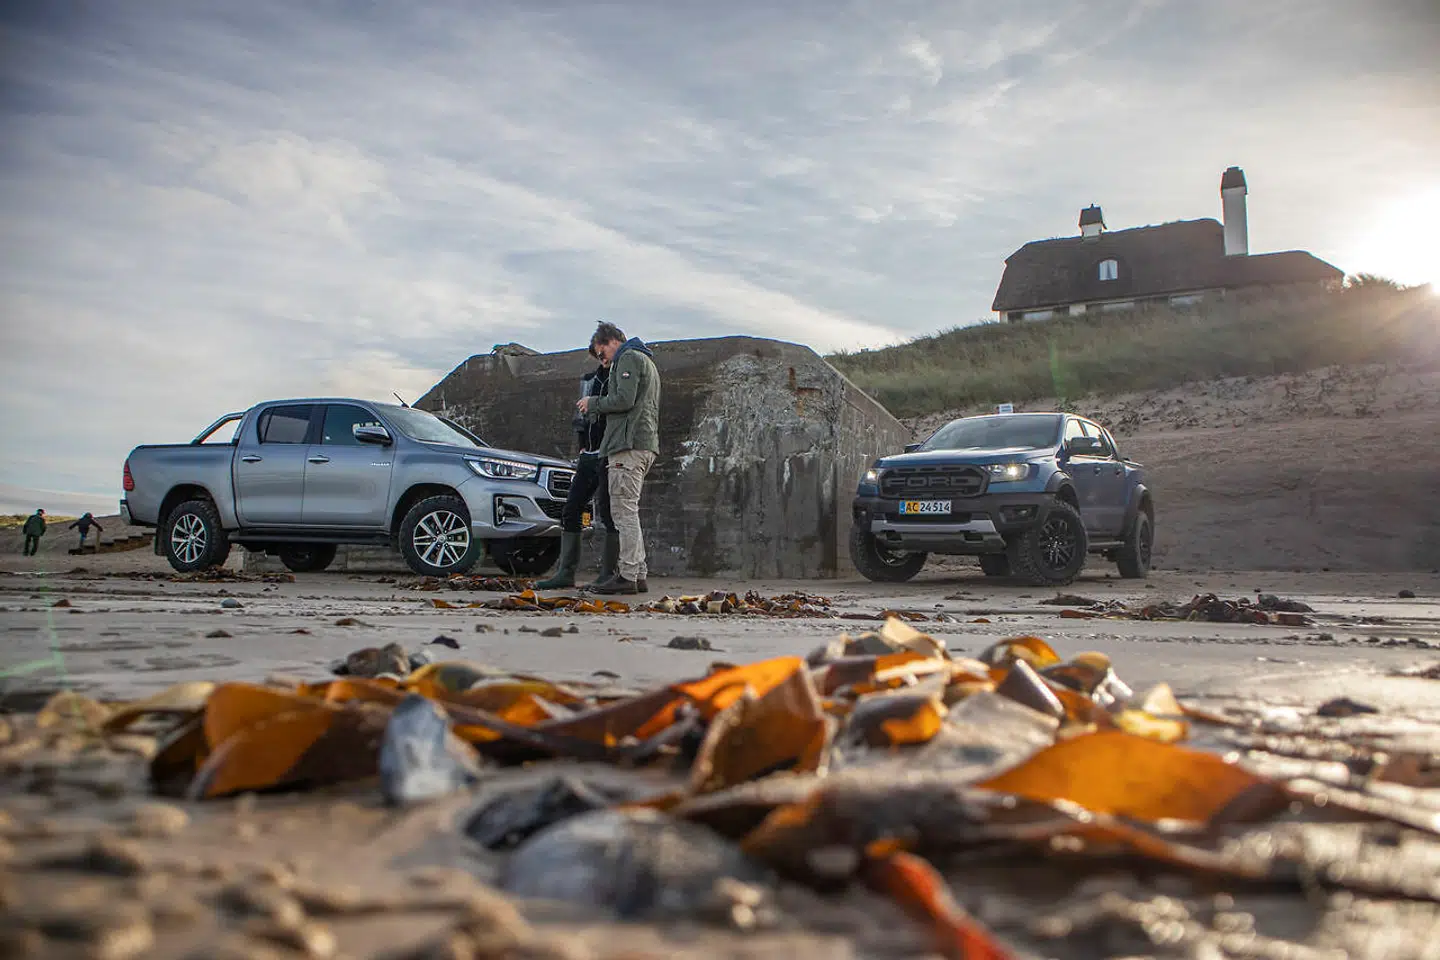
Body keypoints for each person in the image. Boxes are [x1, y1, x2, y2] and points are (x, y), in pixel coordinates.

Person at [578, 321, 660, 595]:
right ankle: (638, 574)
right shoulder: (645, 360)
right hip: (643, 444)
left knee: (623, 512)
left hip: (628, 446)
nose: (603, 361)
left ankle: (627, 575)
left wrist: (593, 403)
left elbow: (624, 400)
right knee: (629, 511)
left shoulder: (628, 359)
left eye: (602, 354)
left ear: (612, 340)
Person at [536, 345, 615, 589]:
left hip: (610, 453)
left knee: (608, 512)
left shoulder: (621, 378)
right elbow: (580, 417)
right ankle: (565, 573)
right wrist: (582, 446)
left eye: (603, 353)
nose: (602, 359)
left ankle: (609, 573)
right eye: (597, 355)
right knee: (571, 510)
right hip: (588, 455)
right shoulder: (589, 380)